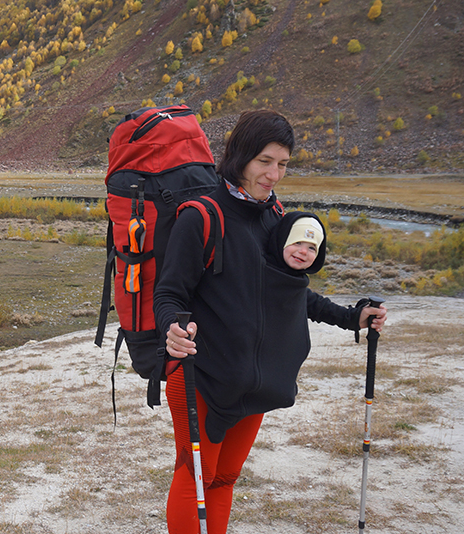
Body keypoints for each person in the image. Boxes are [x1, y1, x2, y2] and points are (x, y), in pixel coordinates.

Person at [153, 109, 387, 534]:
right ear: (240, 155)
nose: (274, 174)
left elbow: (292, 292)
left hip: (256, 381)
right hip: (202, 376)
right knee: (197, 479)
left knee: (224, 479)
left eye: (282, 164)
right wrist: (172, 326)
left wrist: (352, 318)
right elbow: (169, 293)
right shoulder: (201, 216)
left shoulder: (275, 217)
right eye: (265, 161)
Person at [267, 211, 326, 276]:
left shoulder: (300, 284)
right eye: (297, 243)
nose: (304, 251)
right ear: (281, 241)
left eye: (312, 248)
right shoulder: (259, 276)